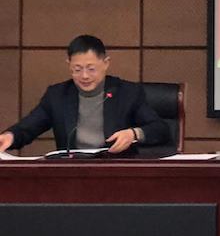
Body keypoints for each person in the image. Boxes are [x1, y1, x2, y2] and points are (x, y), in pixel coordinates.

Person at [0, 35, 170, 155]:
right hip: (72, 174)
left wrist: (133, 134)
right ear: (69, 65)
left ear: (106, 63)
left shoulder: (127, 93)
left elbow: (160, 129)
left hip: (117, 173)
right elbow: (28, 127)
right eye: (77, 69)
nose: (85, 76)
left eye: (91, 69)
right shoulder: (57, 95)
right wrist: (10, 136)